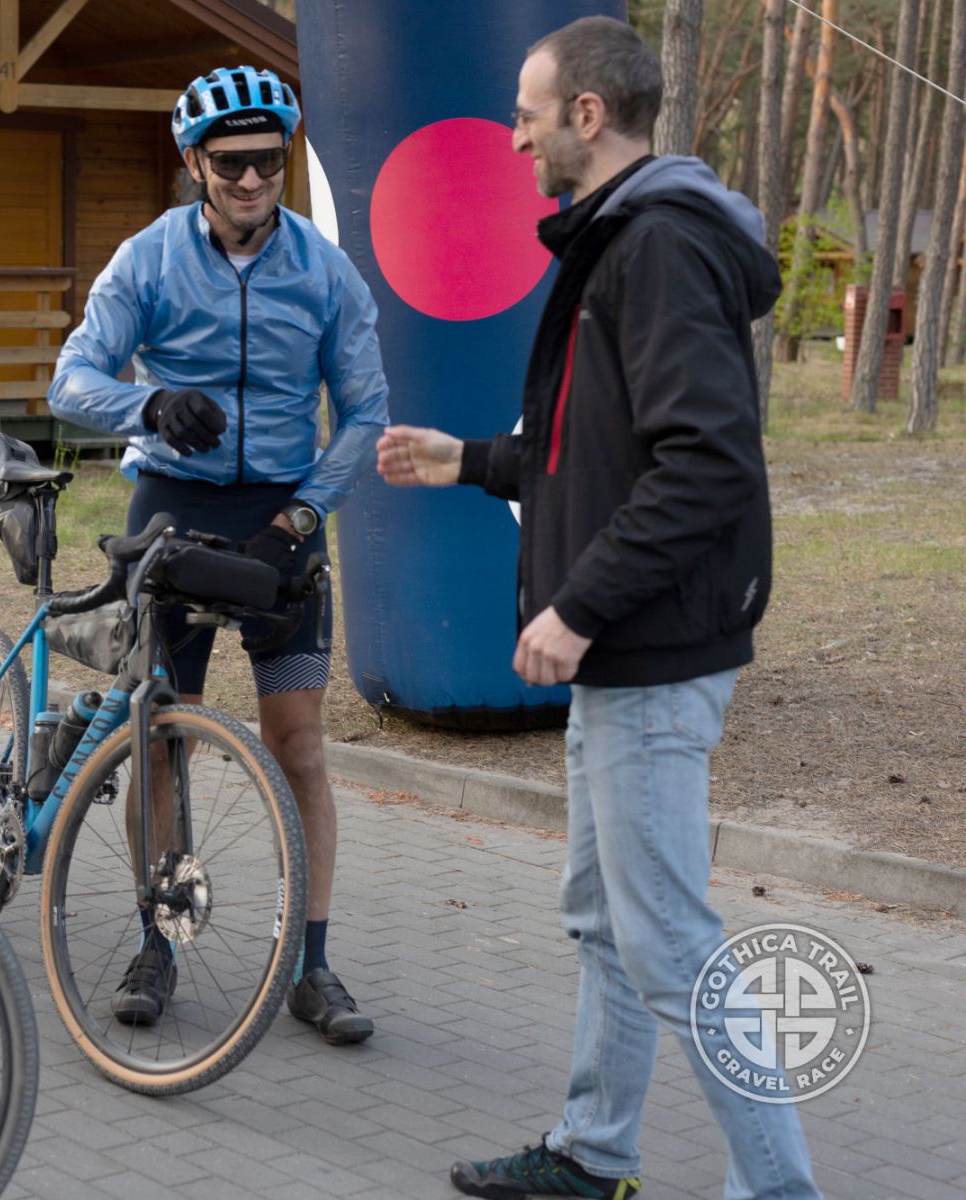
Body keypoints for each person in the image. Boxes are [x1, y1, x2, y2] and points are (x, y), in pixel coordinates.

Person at [376, 18, 820, 1200]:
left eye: (527, 113)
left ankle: (781, 1188)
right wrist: (468, 460)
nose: (514, 135)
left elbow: (706, 460)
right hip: (624, 652)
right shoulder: (617, 240)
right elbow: (593, 450)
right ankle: (591, 1153)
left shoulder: (658, 245)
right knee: (607, 921)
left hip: (649, 651)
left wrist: (577, 606)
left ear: (586, 114)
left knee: (668, 938)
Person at [49, 65, 390, 1046]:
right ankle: (157, 941)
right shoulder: (150, 260)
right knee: (162, 736)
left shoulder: (323, 270)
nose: (251, 181)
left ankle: (312, 965)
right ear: (194, 163)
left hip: (282, 515)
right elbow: (72, 379)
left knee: (299, 744)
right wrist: (149, 404)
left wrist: (302, 515)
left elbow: (366, 409)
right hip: (174, 507)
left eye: (268, 163)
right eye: (232, 163)